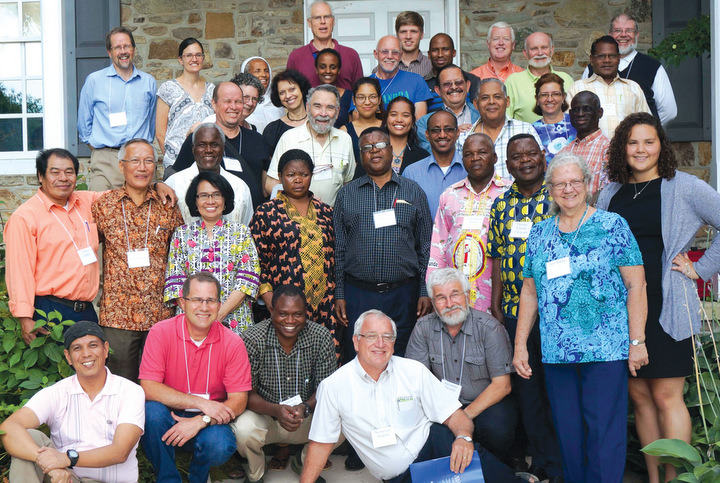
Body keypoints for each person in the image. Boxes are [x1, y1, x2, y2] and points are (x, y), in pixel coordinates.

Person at [597, 112, 720, 483]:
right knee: (641, 398)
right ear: (622, 148)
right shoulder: (610, 191)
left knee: (668, 396)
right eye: (632, 142)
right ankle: (654, 479)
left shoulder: (683, 186)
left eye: (649, 141)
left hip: (668, 303)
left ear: (661, 146)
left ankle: (675, 479)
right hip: (623, 309)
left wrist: (701, 269)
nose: (640, 149)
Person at [514, 152, 648, 482]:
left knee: (604, 436)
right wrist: (519, 346)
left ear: (588, 185)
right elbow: (529, 291)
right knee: (569, 436)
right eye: (560, 183)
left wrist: (637, 341)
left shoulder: (612, 225)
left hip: (604, 350)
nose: (568, 189)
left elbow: (636, 285)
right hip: (558, 353)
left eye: (575, 181)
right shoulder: (539, 234)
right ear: (550, 189)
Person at [299, 309, 527, 483]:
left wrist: (464, 438)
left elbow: (455, 416)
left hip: (433, 446)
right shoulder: (334, 386)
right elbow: (320, 444)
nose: (380, 344)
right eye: (372, 336)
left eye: (387, 337)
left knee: (471, 457)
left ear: (393, 343)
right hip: (401, 477)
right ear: (356, 342)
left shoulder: (413, 370)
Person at [487, 134, 563, 482]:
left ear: (543, 157)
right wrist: (496, 300)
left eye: (531, 153)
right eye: (517, 156)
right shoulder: (501, 206)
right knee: (528, 391)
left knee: (557, 391)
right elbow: (499, 257)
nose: (525, 160)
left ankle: (564, 461)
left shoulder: (561, 196)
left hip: (560, 312)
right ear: (508, 164)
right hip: (517, 311)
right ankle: (543, 461)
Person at [139, 272, 252, 483]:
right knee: (150, 412)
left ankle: (199, 476)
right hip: (169, 416)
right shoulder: (160, 332)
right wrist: (201, 403)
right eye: (197, 300)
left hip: (210, 421)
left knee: (220, 444)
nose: (203, 307)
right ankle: (168, 478)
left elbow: (239, 401)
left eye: (210, 300)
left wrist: (203, 419)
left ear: (219, 305)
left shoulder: (233, 343)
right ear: (182, 302)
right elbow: (148, 387)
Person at [0, 321, 145, 483]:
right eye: (77, 348)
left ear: (105, 350)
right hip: (67, 479)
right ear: (68, 357)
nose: (86, 354)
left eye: (93, 345)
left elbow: (120, 452)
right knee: (28, 438)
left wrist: (68, 459)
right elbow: (9, 427)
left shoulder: (130, 392)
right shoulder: (57, 392)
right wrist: (51, 465)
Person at [334, 127, 433, 363]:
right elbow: (338, 248)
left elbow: (427, 247)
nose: (374, 151)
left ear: (391, 150)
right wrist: (339, 293)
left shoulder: (413, 191)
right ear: (360, 156)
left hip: (403, 294)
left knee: (401, 356)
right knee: (360, 355)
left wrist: (423, 291)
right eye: (366, 148)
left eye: (379, 145)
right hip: (358, 293)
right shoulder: (347, 194)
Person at [91, 139, 184, 382]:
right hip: (118, 315)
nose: (142, 167)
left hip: (160, 314)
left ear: (155, 167)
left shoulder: (168, 205)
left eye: (148, 161)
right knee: (119, 386)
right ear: (122, 166)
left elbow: (181, 254)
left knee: (160, 384)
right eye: (135, 161)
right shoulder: (103, 205)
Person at [407, 268, 516, 461]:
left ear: (467, 296)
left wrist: (462, 418)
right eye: (441, 298)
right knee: (429, 432)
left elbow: (502, 385)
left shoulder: (489, 328)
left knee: (497, 426)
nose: (449, 304)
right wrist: (449, 417)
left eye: (455, 294)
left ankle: (496, 468)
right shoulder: (423, 328)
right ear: (433, 303)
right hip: (442, 406)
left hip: (484, 401)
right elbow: (416, 382)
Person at [230, 285, 338, 482]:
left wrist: (305, 407)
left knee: (345, 420)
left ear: (306, 313)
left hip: (304, 417)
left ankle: (305, 463)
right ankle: (256, 474)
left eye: (297, 314)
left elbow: (327, 389)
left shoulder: (320, 336)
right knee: (242, 429)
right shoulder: (253, 339)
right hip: (265, 418)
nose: (290, 321)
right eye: (283, 314)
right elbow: (245, 394)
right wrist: (276, 410)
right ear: (271, 311)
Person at [5, 149, 103, 341]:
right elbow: (19, 272)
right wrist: (25, 318)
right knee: (55, 369)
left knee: (90, 369)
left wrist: (158, 186)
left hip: (86, 311)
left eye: (69, 172)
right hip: (48, 311)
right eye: (55, 172)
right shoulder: (25, 217)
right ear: (41, 176)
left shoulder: (86, 202)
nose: (63, 178)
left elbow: (122, 197)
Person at [250, 149, 339, 354]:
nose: (298, 180)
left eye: (304, 174)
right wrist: (269, 296)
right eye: (291, 175)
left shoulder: (326, 212)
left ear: (311, 176)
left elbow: (335, 257)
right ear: (281, 177)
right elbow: (256, 259)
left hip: (324, 305)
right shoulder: (266, 212)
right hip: (283, 306)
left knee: (322, 358)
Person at [164, 170, 260, 335]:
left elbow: (248, 280)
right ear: (195, 201)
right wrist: (199, 316)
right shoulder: (181, 234)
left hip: (234, 321)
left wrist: (218, 314)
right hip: (191, 321)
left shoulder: (241, 233)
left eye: (216, 195)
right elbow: (175, 281)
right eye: (203, 195)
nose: (210, 201)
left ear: (225, 199)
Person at [428, 133, 511, 311]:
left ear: (495, 157)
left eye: (482, 152)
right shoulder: (450, 194)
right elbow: (438, 246)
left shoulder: (509, 193)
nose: (475, 158)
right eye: (468, 154)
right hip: (454, 299)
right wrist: (433, 288)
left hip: (497, 300)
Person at [77, 27, 157, 191]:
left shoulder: (148, 82)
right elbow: (84, 123)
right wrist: (101, 149)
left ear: (133, 49)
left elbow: (152, 122)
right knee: (100, 210)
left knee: (145, 213)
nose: (123, 51)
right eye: (117, 47)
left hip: (140, 160)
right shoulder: (94, 81)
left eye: (127, 46)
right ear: (109, 52)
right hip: (105, 159)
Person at [170, 80, 267, 208]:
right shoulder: (198, 141)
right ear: (214, 104)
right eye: (227, 101)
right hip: (209, 217)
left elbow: (265, 186)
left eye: (238, 101)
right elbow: (178, 180)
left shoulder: (257, 139)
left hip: (251, 218)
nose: (233, 106)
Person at [265, 84, 356, 206]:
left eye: (330, 107)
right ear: (307, 108)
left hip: (333, 219)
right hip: (295, 219)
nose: (323, 113)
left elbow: (348, 184)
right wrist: (301, 202)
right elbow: (271, 184)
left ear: (338, 111)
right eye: (317, 106)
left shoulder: (345, 139)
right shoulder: (289, 138)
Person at [584, 13, 677, 125]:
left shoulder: (653, 67)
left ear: (637, 34)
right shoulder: (592, 68)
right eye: (618, 30)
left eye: (629, 30)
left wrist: (646, 127)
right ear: (610, 34)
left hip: (637, 140)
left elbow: (669, 111)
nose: (623, 35)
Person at [165, 123, 253, 225]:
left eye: (214, 144)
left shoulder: (240, 187)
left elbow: (247, 226)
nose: (208, 150)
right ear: (193, 148)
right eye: (202, 145)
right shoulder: (173, 184)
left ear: (223, 147)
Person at [567, 36, 650, 138]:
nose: (607, 60)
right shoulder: (578, 88)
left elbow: (646, 125)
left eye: (612, 56)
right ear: (592, 60)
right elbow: (567, 125)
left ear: (619, 59)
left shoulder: (633, 88)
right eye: (601, 56)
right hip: (588, 152)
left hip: (625, 152)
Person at [156, 38, 214, 169]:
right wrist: (174, 162)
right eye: (189, 55)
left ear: (203, 59)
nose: (194, 59)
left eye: (198, 55)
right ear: (180, 60)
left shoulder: (212, 90)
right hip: (176, 162)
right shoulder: (168, 89)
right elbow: (160, 134)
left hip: (206, 163)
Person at [469, 79, 543, 178]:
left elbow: (540, 167)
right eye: (485, 98)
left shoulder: (525, 130)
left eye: (497, 97)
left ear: (507, 101)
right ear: (476, 104)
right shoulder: (465, 138)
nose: (491, 102)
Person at [403, 111, 467, 217]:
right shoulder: (411, 173)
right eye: (436, 130)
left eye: (448, 129)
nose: (442, 135)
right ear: (427, 135)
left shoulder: (470, 170)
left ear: (457, 133)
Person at [286, 1, 363, 89]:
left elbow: (360, 92)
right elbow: (289, 92)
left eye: (326, 17)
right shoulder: (296, 57)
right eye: (317, 17)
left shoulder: (351, 55)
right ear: (309, 22)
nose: (323, 21)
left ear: (333, 21)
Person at [505, 32, 574, 124]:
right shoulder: (513, 82)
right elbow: (506, 119)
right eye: (534, 49)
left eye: (544, 47)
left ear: (552, 50)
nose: (540, 53)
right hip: (525, 137)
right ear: (525, 54)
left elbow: (574, 113)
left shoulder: (566, 79)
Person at [556, 91, 610, 194]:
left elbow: (609, 191)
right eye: (576, 110)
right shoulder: (563, 153)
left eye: (587, 109)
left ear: (600, 113)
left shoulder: (609, 149)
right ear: (571, 114)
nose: (580, 114)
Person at [417, 64, 480, 152]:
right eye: (447, 84)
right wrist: (453, 135)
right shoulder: (424, 123)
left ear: (468, 86)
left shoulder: (482, 115)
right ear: (438, 90)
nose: (454, 87)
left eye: (459, 83)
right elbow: (427, 152)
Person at [370, 35, 433, 118]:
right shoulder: (365, 85)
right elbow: (359, 123)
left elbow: (419, 124)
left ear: (401, 55)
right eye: (384, 51)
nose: (389, 56)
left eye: (395, 52)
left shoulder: (416, 81)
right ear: (376, 54)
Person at [426, 34, 481, 113]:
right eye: (435, 50)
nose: (440, 54)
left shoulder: (471, 80)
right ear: (429, 54)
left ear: (454, 52)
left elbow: (477, 112)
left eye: (445, 49)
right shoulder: (423, 83)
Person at [341, 77, 384, 177]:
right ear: (354, 101)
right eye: (361, 97)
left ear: (379, 100)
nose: (367, 102)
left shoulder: (388, 127)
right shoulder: (344, 131)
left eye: (372, 97)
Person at [263, 69, 312, 158]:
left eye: (292, 89)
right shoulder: (273, 130)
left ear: (302, 89)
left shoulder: (318, 123)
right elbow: (268, 168)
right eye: (282, 93)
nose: (288, 96)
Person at [530, 73, 577, 162]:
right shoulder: (531, 130)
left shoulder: (576, 123)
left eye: (555, 94)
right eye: (544, 95)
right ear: (537, 99)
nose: (550, 99)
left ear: (563, 97)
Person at [381, 96, 430, 174]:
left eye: (405, 115)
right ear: (386, 119)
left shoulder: (423, 156)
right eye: (393, 114)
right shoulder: (372, 152)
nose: (399, 120)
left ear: (413, 121)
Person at [242, 56, 286, 133]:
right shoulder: (242, 104)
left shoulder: (276, 103)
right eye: (257, 71)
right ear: (247, 75)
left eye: (266, 71)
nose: (263, 75)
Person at [314, 48, 353, 128]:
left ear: (339, 70)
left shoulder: (349, 96)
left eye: (333, 67)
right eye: (322, 67)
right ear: (316, 69)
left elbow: (353, 126)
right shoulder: (309, 96)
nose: (328, 71)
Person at [392, 11, 433, 78]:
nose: (408, 36)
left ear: (422, 34)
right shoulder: (384, 68)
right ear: (397, 35)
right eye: (403, 32)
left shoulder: (431, 66)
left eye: (413, 31)